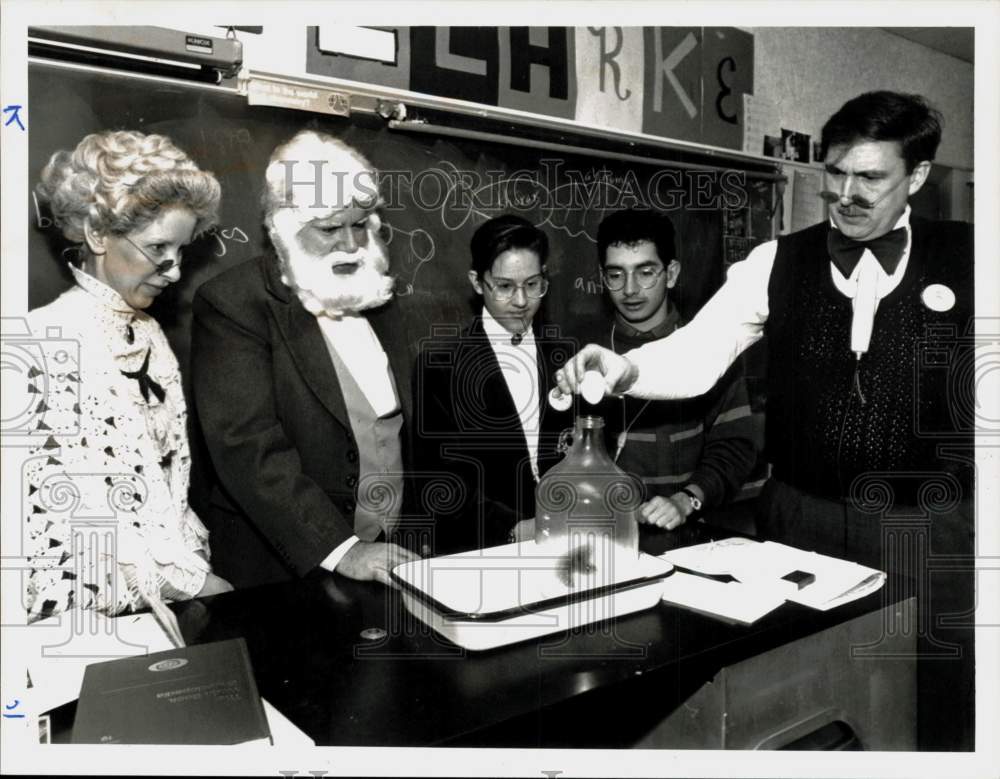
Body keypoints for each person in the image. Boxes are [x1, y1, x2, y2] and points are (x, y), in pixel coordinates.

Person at [555, 91, 974, 750]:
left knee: (934, 701)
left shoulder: (976, 257)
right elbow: (697, 352)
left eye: (871, 177)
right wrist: (625, 367)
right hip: (797, 520)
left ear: (917, 176)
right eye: (835, 173)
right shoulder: (775, 262)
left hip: (927, 525)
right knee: (800, 700)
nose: (846, 193)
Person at [191, 130, 419, 588]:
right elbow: (246, 446)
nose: (352, 244)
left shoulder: (377, 295)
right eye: (331, 228)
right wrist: (342, 549)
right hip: (283, 573)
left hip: (388, 562)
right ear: (283, 228)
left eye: (361, 223)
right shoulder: (234, 302)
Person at [24, 130, 232, 623]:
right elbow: (72, 516)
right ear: (97, 235)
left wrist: (190, 567)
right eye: (158, 247)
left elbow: (163, 495)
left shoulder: (151, 335)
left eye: (181, 250)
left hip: (168, 598)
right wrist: (191, 582)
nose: (175, 270)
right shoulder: (43, 340)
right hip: (90, 616)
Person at [591, 209, 759, 531]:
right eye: (616, 274)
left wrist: (687, 500)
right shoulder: (587, 353)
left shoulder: (713, 349)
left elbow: (735, 448)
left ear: (671, 273)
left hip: (684, 538)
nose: (629, 289)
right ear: (602, 277)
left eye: (645, 272)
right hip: (598, 538)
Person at [415, 215, 573, 552]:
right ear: (476, 282)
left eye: (533, 284)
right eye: (504, 286)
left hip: (564, 541)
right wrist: (517, 529)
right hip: (480, 548)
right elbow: (441, 481)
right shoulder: (441, 367)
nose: (521, 301)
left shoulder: (564, 355)